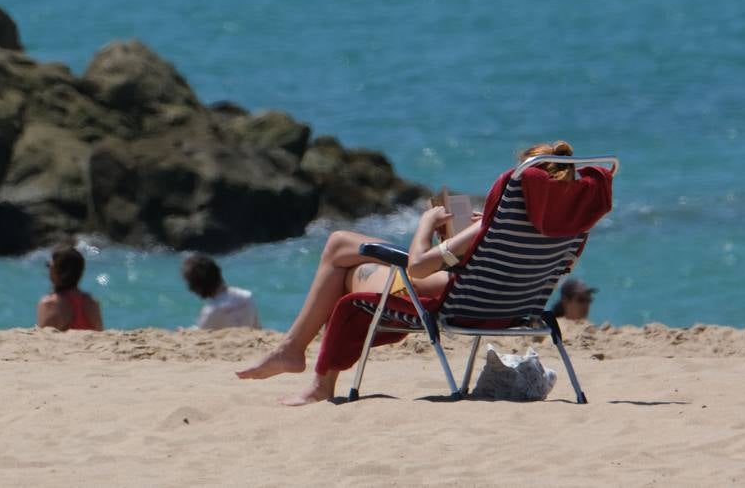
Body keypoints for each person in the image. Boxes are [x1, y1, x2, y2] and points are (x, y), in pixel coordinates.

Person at [236, 140, 602, 406]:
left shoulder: (490, 227)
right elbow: (548, 269)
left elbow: (417, 266)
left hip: (453, 301)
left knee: (341, 251)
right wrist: (477, 237)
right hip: (513, 309)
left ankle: (304, 364)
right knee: (347, 258)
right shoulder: (571, 231)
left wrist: (427, 224)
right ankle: (298, 358)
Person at [183, 253, 261, 329]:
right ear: (218, 272)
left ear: (197, 286)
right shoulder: (247, 296)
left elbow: (202, 336)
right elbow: (258, 329)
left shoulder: (211, 311)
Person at [36, 245, 103, 331]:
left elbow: (44, 339)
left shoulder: (49, 304)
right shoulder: (92, 303)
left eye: (48, 265)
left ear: (55, 270)